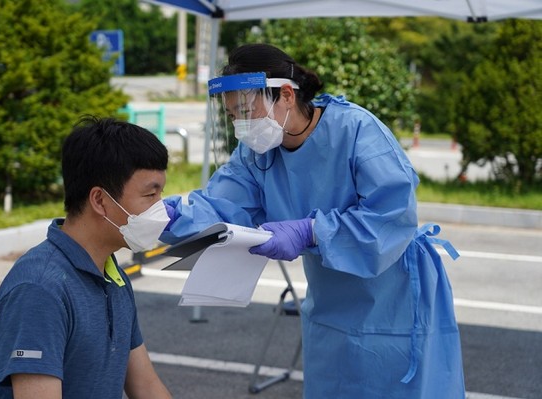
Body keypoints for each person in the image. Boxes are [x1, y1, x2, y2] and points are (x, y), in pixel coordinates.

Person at [161, 44, 465, 398]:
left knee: (396, 385)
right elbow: (224, 207)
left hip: (393, 290)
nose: (241, 126)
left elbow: (392, 216)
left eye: (246, 111)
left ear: (287, 95)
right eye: (232, 117)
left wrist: (311, 230)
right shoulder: (256, 152)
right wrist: (173, 218)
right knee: (334, 385)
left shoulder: (356, 130)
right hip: (329, 296)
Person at [0, 116, 172, 399]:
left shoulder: (113, 275)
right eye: (150, 195)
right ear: (99, 200)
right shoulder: (39, 290)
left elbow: (146, 387)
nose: (162, 210)